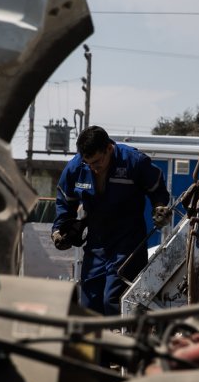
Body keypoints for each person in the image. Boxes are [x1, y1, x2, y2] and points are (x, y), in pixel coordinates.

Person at [52, 126, 171, 315]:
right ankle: (93, 335)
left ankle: (122, 334)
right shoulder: (76, 167)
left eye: (97, 162)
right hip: (96, 244)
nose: (94, 168)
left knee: (113, 300)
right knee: (90, 303)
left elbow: (157, 188)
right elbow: (65, 200)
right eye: (88, 163)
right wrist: (59, 229)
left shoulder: (134, 161)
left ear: (109, 148)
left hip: (128, 243)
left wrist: (160, 207)